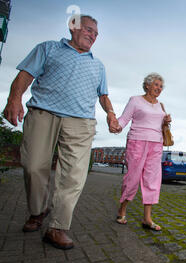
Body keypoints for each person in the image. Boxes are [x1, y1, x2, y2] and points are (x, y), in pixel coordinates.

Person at [2, 14, 121, 250]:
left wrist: (110, 113)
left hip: (81, 122)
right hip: (43, 113)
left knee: (74, 176)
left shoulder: (98, 65)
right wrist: (14, 98)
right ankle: (38, 211)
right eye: (88, 30)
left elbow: (103, 95)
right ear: (73, 27)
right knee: (34, 166)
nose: (92, 36)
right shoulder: (48, 49)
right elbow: (25, 75)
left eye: (96, 34)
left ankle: (57, 227)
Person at [115, 73, 171, 231]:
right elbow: (124, 119)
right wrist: (116, 126)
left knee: (152, 180)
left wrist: (166, 123)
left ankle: (147, 218)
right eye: (156, 85)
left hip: (156, 143)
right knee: (132, 177)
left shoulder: (161, 105)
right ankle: (122, 210)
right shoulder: (135, 100)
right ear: (147, 85)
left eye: (161, 86)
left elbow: (163, 127)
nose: (159, 88)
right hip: (137, 141)